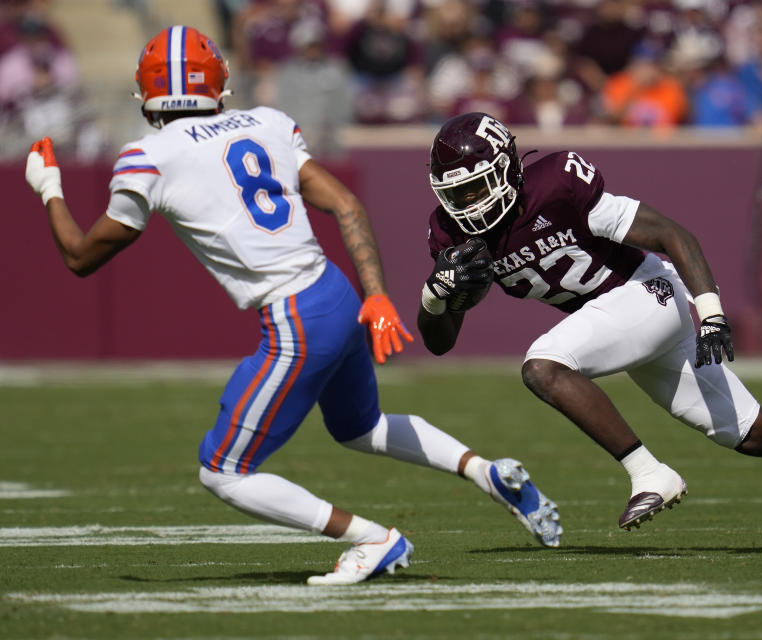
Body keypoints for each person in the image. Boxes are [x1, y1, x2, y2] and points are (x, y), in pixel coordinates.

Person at [23, 27, 562, 586]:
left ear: (148, 93)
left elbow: (82, 257)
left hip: (295, 317)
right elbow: (346, 205)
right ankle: (484, 471)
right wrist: (375, 293)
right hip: (334, 290)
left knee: (223, 471)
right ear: (217, 83)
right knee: (361, 427)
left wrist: (50, 189)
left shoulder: (148, 156)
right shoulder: (266, 123)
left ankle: (371, 538)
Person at [417, 111, 762, 550]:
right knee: (752, 433)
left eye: (477, 186)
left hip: (650, 294)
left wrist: (712, 311)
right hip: (617, 320)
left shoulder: (557, 182)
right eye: (456, 193)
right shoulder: (452, 235)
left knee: (543, 365)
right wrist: (434, 297)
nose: (470, 204)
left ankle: (649, 472)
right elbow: (441, 342)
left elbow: (671, 234)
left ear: (508, 168)